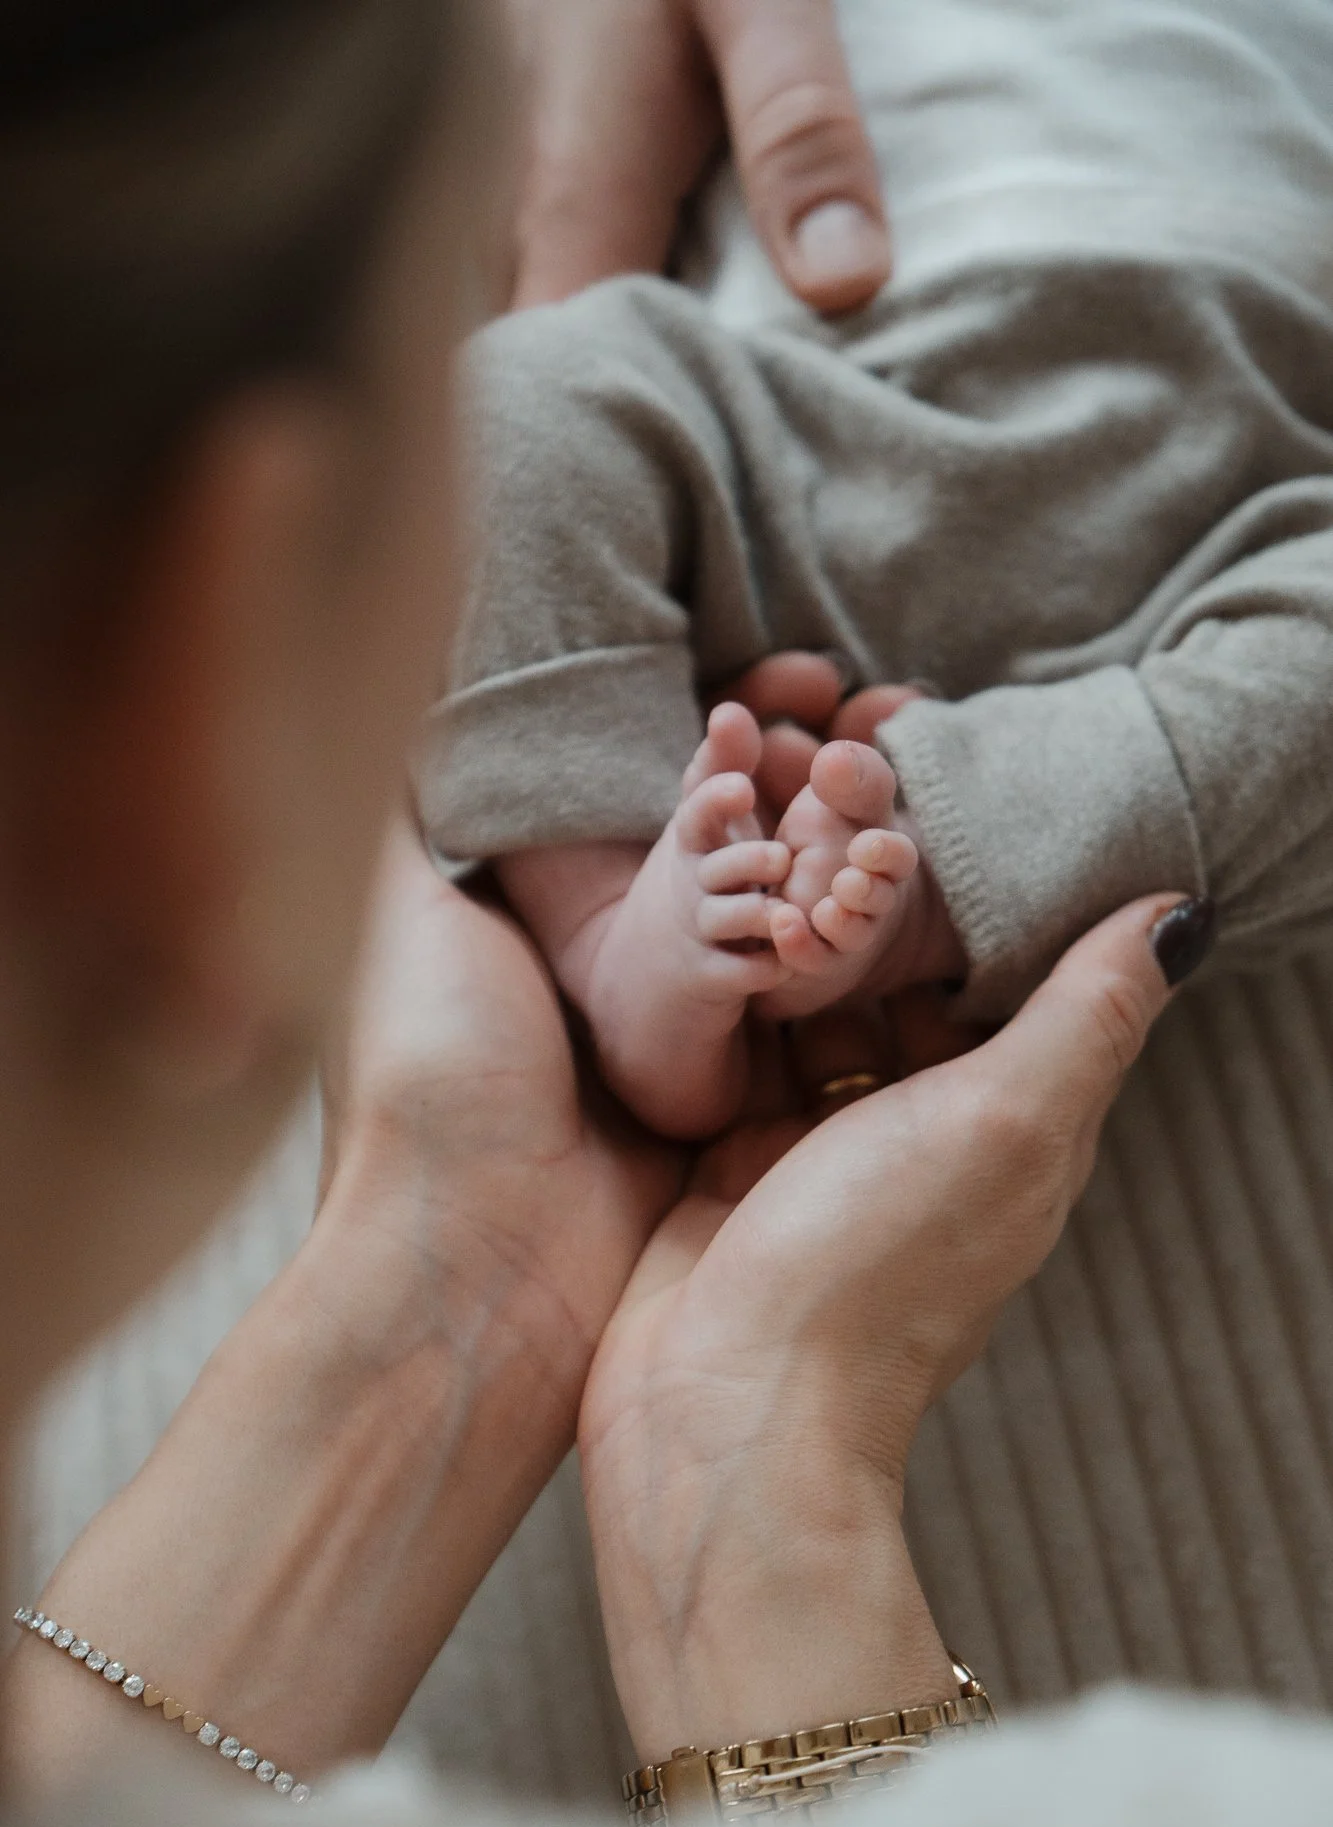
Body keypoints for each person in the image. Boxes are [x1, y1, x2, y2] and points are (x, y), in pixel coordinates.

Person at [4, 3, 1333, 1827]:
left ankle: (855, 877)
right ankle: (620, 904)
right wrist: (757, 1465)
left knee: (497, 399)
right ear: (208, 657)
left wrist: (451, 1261)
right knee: (525, 401)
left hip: (1234, 426)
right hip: (794, 406)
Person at [420, 0, 1333, 1138]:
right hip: (794, 425)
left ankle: (945, 873)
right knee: (497, 405)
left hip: (1248, 467)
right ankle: (609, 916)